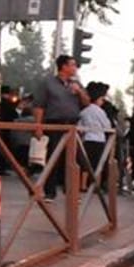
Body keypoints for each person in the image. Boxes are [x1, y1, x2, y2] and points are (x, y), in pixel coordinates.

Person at [35, 54, 90, 202]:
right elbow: (39, 106)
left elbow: (86, 103)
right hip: (55, 124)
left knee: (74, 160)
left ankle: (72, 191)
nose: (75, 68)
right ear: (64, 67)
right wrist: (38, 126)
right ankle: (50, 192)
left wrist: (79, 91)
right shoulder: (48, 83)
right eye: (72, 65)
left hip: (72, 126)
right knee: (54, 158)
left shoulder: (77, 83)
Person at [79, 81, 113, 188]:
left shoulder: (84, 111)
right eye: (102, 99)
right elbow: (107, 125)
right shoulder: (100, 112)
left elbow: (80, 126)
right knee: (98, 164)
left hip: (87, 139)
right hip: (99, 140)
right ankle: (95, 185)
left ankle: (83, 185)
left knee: (86, 163)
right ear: (98, 99)